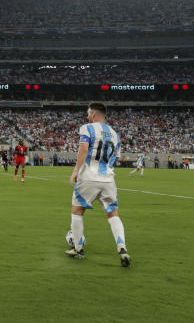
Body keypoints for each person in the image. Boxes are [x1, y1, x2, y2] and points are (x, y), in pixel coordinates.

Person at [66, 102, 130, 267]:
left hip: (89, 176)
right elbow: (115, 158)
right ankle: (122, 248)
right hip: (108, 178)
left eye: (89, 112)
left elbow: (84, 150)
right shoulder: (115, 134)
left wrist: (75, 172)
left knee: (77, 211)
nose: (88, 115)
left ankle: (78, 249)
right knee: (113, 214)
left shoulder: (87, 128)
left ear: (93, 114)